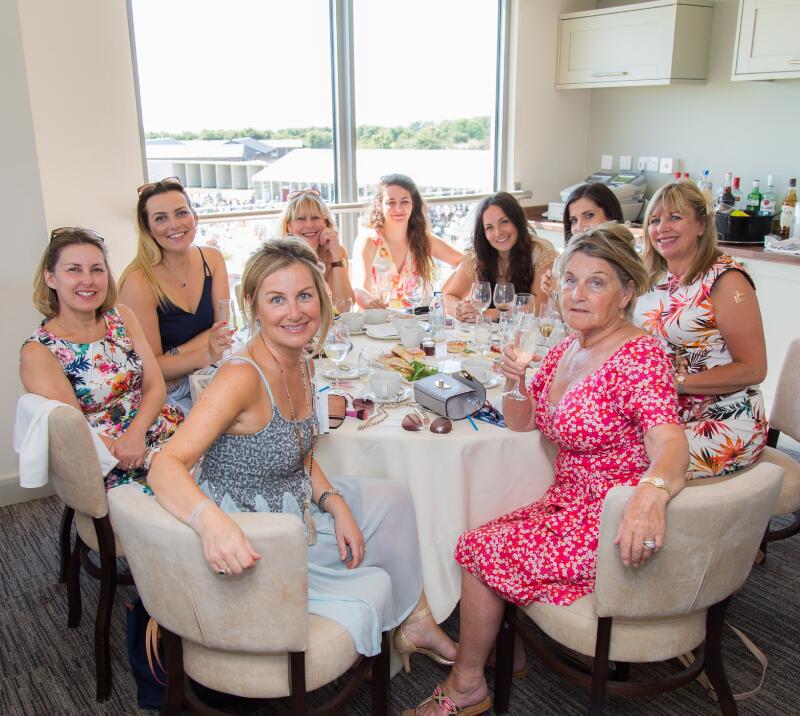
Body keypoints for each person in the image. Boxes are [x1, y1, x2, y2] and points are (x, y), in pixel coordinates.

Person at [404, 225, 688, 716]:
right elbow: (522, 422)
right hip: (567, 502)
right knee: (476, 529)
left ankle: (466, 684)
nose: (577, 294)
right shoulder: (569, 347)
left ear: (626, 293)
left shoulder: (639, 356)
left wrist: (651, 493)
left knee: (478, 548)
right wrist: (517, 381)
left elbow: (670, 440)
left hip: (606, 518)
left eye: (596, 283)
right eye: (570, 280)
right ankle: (502, 651)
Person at [148, 237, 457, 665]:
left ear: (321, 298)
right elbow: (164, 465)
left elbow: (299, 448)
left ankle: (417, 621)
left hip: (293, 502)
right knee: (372, 586)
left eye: (304, 296)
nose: (295, 312)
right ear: (254, 305)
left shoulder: (302, 358)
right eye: (278, 299)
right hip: (256, 530)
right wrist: (211, 524)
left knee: (396, 499)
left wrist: (335, 503)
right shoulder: (242, 377)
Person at [20, 228, 182, 490]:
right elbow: (76, 432)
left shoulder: (122, 317)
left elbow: (155, 386)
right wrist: (132, 449)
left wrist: (137, 433)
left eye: (97, 269)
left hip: (159, 429)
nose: (89, 280)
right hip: (114, 459)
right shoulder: (39, 352)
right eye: (74, 269)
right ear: (51, 278)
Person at [635, 180, 768, 478]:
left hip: (726, 418)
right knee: (592, 445)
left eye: (675, 217)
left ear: (700, 225)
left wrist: (675, 382)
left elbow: (753, 369)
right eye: (655, 220)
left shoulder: (726, 280)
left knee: (631, 464)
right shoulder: (653, 278)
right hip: (665, 412)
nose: (662, 227)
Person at [119, 177, 233, 415]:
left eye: (181, 213)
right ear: (148, 228)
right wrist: (205, 352)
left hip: (209, 375)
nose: (174, 224)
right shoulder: (139, 282)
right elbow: (152, 368)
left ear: (194, 217)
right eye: (161, 218)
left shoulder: (212, 260)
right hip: (165, 394)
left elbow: (222, 332)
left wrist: (177, 354)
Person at [351, 174, 462, 309]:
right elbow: (359, 288)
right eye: (391, 202)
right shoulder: (368, 240)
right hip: (374, 323)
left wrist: (443, 296)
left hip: (413, 324)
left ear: (413, 204)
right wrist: (370, 303)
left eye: (404, 201)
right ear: (379, 205)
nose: (398, 208)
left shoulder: (423, 239)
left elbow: (464, 261)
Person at [442, 192, 557, 320]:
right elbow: (447, 297)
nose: (498, 233)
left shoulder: (540, 251)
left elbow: (538, 306)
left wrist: (487, 314)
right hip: (488, 334)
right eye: (489, 227)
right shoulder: (476, 256)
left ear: (517, 221)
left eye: (504, 222)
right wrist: (459, 309)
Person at [540, 182, 626, 297]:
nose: (579, 227)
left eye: (589, 216)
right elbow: (564, 313)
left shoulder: (626, 264)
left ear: (610, 216)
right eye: (574, 220)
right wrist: (555, 292)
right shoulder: (564, 262)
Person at [278, 188, 355, 304]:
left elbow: (345, 305)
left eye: (315, 218)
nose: (309, 225)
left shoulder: (336, 253)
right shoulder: (279, 258)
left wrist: (336, 256)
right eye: (301, 219)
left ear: (326, 222)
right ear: (289, 226)